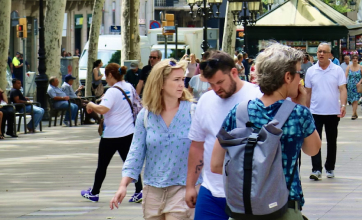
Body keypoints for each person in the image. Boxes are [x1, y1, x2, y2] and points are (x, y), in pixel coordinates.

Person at [211, 44, 321, 218]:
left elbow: (216, 164)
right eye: (299, 74)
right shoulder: (298, 114)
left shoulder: (239, 112)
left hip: (243, 209)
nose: (301, 79)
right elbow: (313, 149)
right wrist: (301, 104)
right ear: (287, 77)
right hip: (284, 208)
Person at [110, 59, 196, 218]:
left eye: (182, 79)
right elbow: (136, 152)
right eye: (176, 80)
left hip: (183, 189)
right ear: (161, 84)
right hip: (152, 192)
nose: (181, 84)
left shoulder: (193, 112)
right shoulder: (146, 115)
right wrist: (123, 185)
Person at [185, 51, 262, 220]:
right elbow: (197, 145)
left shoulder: (257, 97)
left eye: (220, 82)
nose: (216, 89)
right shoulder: (206, 100)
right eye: (211, 84)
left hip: (248, 191)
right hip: (211, 191)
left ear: (234, 72)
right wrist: (190, 185)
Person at [81, 64, 143, 203]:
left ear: (110, 75)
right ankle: (139, 190)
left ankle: (95, 192)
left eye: (106, 76)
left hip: (111, 135)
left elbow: (103, 109)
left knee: (102, 165)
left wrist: (90, 105)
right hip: (128, 133)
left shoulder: (112, 91)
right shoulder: (128, 86)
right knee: (131, 163)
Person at [305, 42, 347, 180]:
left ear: (329, 54)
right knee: (315, 141)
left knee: (331, 140)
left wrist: (343, 106)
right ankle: (316, 169)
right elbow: (308, 92)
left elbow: (342, 89)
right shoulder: (311, 71)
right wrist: (306, 110)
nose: (321, 54)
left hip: (332, 112)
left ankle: (330, 168)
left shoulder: (337, 70)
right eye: (319, 51)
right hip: (315, 112)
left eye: (324, 52)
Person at [345, 55, 362, 120]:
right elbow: (345, 76)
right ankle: (355, 112)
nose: (355, 60)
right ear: (351, 60)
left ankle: (353, 114)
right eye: (353, 58)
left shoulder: (361, 67)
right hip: (350, 85)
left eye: (356, 58)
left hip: (358, 86)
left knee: (356, 100)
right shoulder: (348, 67)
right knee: (352, 100)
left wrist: (359, 82)